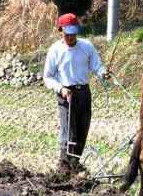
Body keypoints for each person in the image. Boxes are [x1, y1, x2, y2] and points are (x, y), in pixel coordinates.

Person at [43, 13, 110, 175]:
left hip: (84, 93)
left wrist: (103, 73)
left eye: (73, 34)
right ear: (60, 32)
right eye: (67, 34)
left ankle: (75, 163)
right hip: (66, 94)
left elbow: (97, 66)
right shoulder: (55, 50)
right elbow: (48, 77)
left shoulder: (86, 46)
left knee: (82, 129)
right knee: (69, 132)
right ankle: (64, 165)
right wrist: (61, 89)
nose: (71, 38)